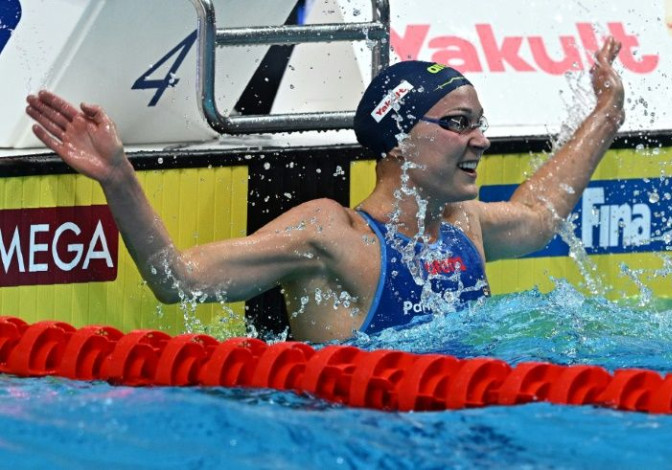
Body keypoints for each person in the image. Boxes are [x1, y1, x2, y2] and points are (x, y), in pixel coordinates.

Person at [25, 37, 625, 343]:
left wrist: (607, 113)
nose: (481, 141)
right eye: (459, 124)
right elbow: (179, 277)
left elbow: (538, 214)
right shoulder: (330, 235)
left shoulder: (465, 223)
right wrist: (118, 176)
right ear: (398, 139)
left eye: (480, 123)